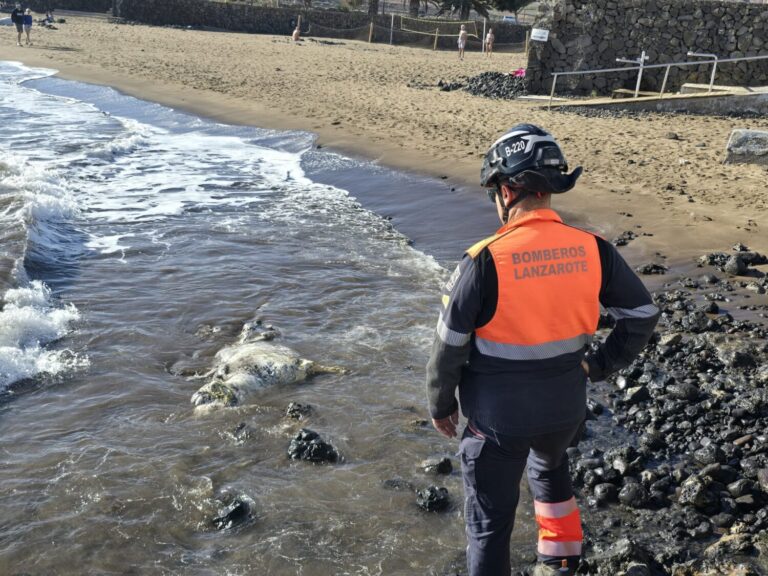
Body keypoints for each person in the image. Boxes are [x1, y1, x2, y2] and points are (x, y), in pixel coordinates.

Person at [425, 124, 660, 576]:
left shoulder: (484, 259)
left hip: (497, 424)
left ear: (508, 189)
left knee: (490, 525)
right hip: (564, 412)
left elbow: (449, 345)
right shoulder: (594, 249)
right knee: (551, 471)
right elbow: (642, 314)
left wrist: (440, 404)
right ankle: (560, 563)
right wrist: (600, 364)